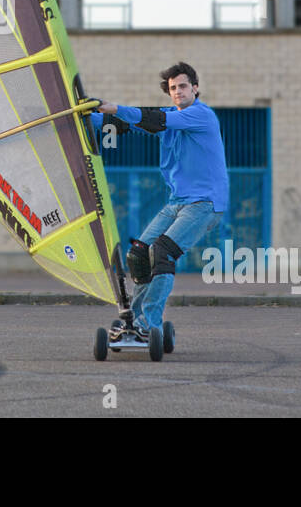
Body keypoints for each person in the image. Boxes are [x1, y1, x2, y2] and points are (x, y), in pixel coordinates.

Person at [91, 62, 229, 342]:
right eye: (173, 88)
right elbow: (127, 124)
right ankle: (134, 320)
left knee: (162, 253)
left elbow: (153, 120)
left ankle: (148, 322)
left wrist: (114, 106)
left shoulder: (201, 115)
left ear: (195, 88)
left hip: (205, 204)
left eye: (182, 86)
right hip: (177, 202)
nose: (178, 92)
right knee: (139, 255)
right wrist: (86, 115)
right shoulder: (170, 116)